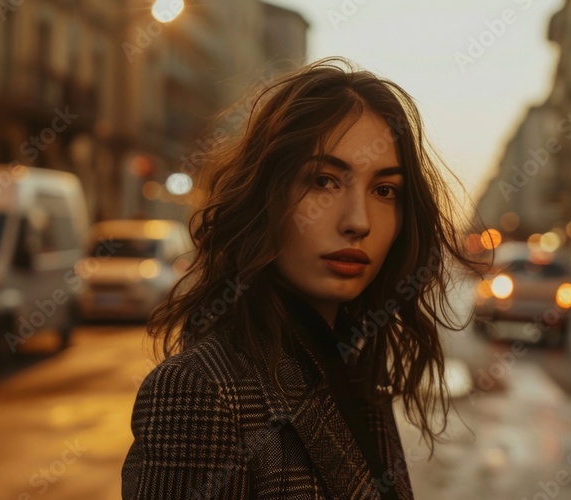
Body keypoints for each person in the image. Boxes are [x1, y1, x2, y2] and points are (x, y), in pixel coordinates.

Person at [122, 57, 487, 499]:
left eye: (384, 190)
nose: (359, 222)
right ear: (265, 197)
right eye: (323, 180)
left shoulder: (352, 368)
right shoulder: (199, 393)